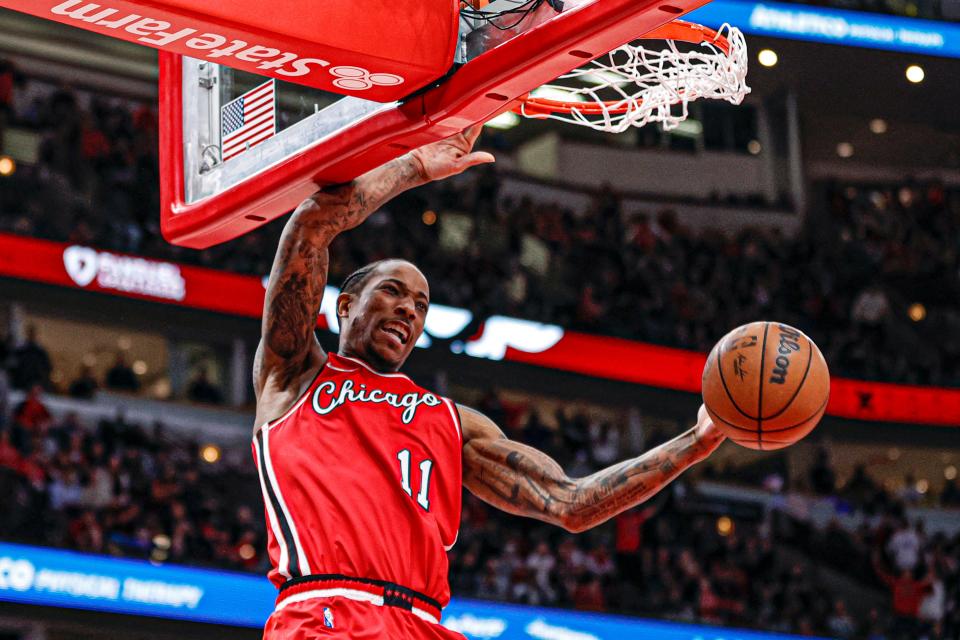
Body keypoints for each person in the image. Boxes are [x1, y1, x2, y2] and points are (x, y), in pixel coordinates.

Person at [252, 127, 726, 639]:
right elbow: (310, 225)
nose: (409, 308)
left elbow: (570, 503)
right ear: (345, 306)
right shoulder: (297, 372)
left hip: (424, 625)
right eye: (392, 291)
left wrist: (697, 442)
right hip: (326, 613)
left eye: (420, 305)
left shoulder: (452, 422)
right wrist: (414, 167)